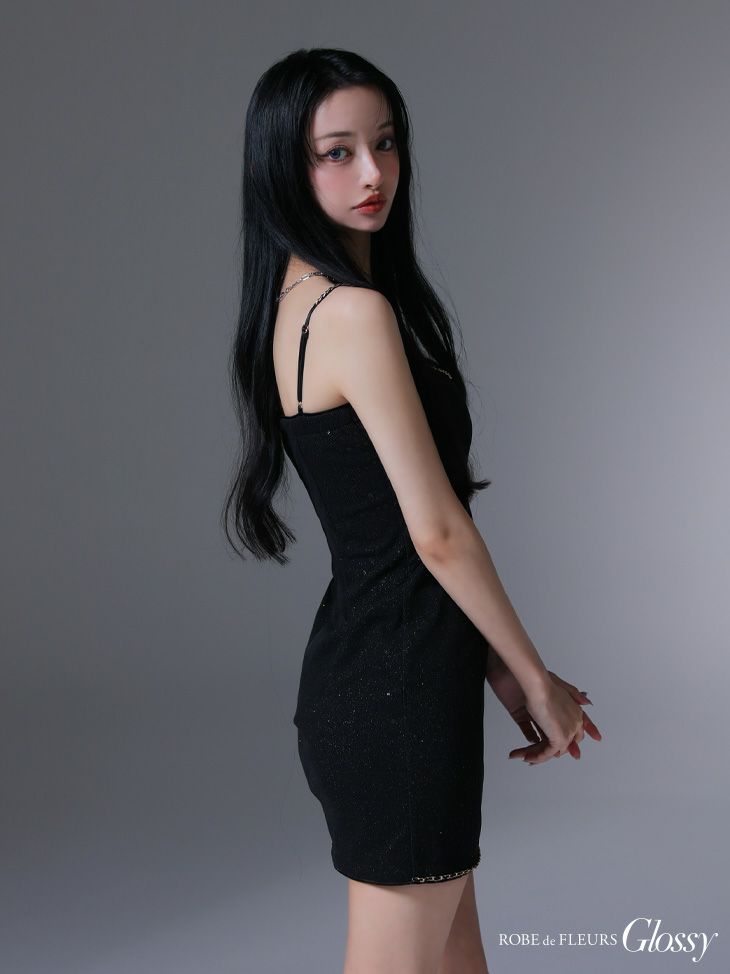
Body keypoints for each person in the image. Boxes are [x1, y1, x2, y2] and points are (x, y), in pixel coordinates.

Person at [223, 47, 602, 974]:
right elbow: (434, 533)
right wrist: (535, 677)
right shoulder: (352, 314)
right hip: (396, 696)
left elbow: (391, 538)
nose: (373, 173)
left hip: (388, 671)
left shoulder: (297, 302)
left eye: (385, 143)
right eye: (337, 152)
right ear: (284, 167)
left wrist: (491, 665)